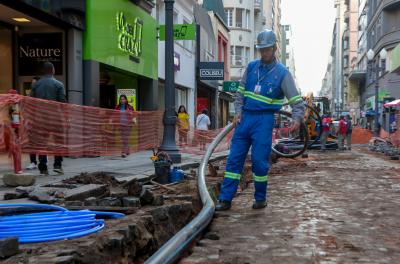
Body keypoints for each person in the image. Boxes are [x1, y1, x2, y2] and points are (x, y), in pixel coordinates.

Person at [216, 29, 305, 211]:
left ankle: (260, 198)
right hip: (244, 119)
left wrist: (297, 117)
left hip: (264, 120)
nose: (264, 53)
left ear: (274, 48)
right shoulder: (251, 67)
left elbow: (297, 101)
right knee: (234, 160)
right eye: (261, 49)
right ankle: (225, 199)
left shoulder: (282, 73)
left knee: (259, 161)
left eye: (267, 49)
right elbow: (240, 93)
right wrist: (238, 111)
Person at [30, 62, 66, 175]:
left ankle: (43, 167)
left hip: (41, 118)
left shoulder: (36, 85)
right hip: (56, 118)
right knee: (59, 141)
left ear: (43, 71)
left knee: (42, 142)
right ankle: (57, 165)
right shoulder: (59, 84)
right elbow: (63, 103)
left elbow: (31, 102)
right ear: (53, 70)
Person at [26, 76, 40, 170]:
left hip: (41, 121)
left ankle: (43, 159)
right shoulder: (31, 94)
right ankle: (33, 162)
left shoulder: (40, 94)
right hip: (32, 121)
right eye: (32, 83)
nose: (33, 84)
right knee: (32, 142)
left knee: (41, 142)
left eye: (34, 83)